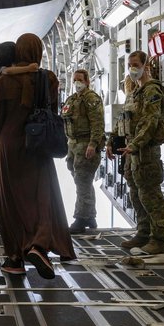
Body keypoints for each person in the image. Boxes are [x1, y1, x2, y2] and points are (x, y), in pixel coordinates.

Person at [0, 33, 76, 279]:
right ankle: (38, 245)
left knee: (10, 203)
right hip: (37, 143)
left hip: (8, 143)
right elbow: (52, 109)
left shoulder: (3, 81)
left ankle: (15, 258)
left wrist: (2, 142)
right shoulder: (48, 79)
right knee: (41, 197)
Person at [107, 50, 164, 254]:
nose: (132, 68)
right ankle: (143, 233)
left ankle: (158, 239)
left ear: (145, 66)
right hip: (131, 153)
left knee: (150, 196)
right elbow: (122, 121)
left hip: (146, 152)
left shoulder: (153, 91)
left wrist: (136, 144)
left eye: (135, 64)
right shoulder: (134, 93)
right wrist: (111, 142)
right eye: (130, 65)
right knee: (135, 194)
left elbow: (150, 122)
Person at [63, 69, 104, 234]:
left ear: (87, 81)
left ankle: (81, 218)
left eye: (80, 79)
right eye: (74, 80)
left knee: (82, 181)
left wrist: (93, 144)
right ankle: (90, 216)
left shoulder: (91, 99)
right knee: (83, 182)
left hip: (86, 143)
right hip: (73, 145)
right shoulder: (72, 100)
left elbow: (97, 123)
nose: (76, 83)